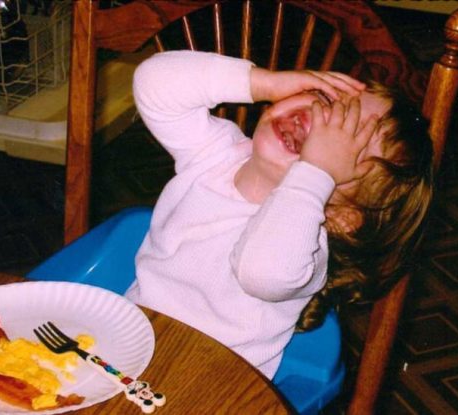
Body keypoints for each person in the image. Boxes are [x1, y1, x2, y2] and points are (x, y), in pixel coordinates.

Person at [125, 51, 433, 379]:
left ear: (342, 217)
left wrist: (314, 171)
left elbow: (259, 272)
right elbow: (152, 82)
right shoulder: (216, 154)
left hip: (207, 386)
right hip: (128, 344)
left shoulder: (305, 247)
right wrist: (264, 82)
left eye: (341, 139)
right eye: (326, 98)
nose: (318, 118)